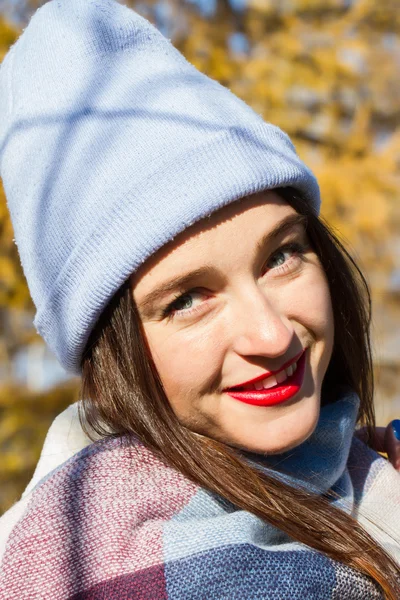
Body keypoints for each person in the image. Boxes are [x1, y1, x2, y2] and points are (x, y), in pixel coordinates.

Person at [0, 0, 399, 598]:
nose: (272, 335)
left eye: (280, 256)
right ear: (109, 353)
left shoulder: (360, 472)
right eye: (187, 299)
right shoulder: (101, 571)